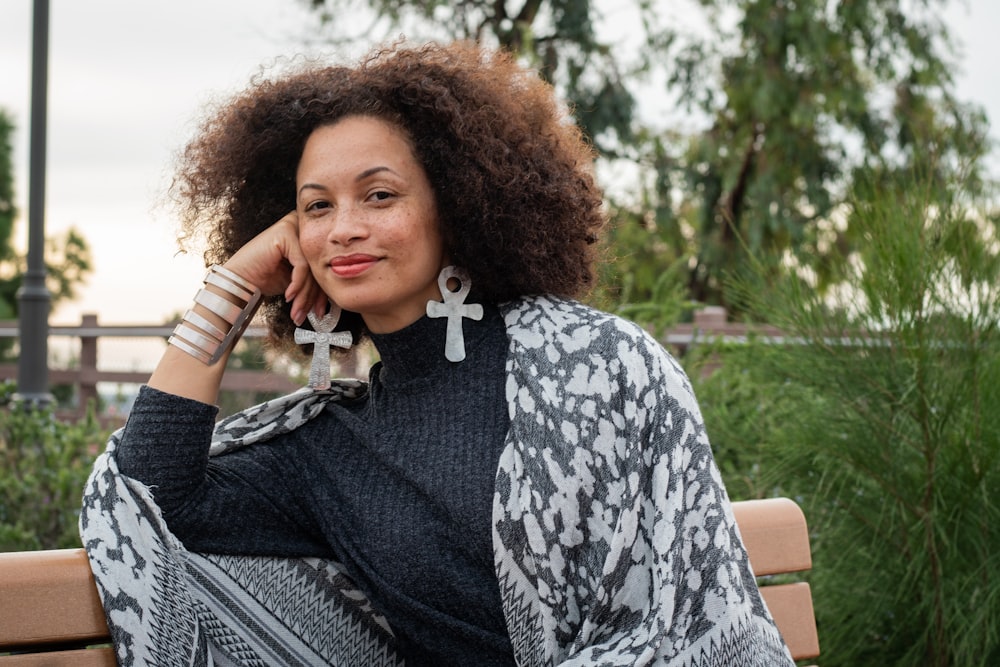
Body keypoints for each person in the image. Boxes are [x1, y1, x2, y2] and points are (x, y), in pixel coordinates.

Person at [80, 41, 795, 666]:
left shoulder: (603, 367)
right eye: (316, 206)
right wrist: (232, 285)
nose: (345, 229)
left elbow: (696, 627)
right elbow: (149, 495)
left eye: (380, 195)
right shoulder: (329, 450)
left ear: (455, 206)